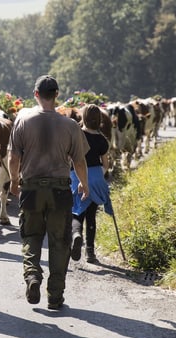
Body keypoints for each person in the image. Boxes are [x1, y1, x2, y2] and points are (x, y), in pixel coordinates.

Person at [8, 75, 89, 310]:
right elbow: (80, 161)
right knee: (59, 241)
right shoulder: (70, 125)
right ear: (57, 95)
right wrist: (84, 184)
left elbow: (14, 158)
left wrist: (14, 180)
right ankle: (55, 295)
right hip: (60, 190)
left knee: (31, 237)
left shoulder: (23, 121)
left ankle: (32, 276)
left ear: (35, 94)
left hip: (31, 188)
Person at [70, 104, 113, 264]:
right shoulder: (102, 140)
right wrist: (97, 176)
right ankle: (90, 253)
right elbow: (106, 164)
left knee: (76, 212)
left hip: (76, 177)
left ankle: (76, 235)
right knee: (91, 216)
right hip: (96, 178)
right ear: (100, 120)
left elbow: (70, 159)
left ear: (83, 118)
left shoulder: (77, 135)